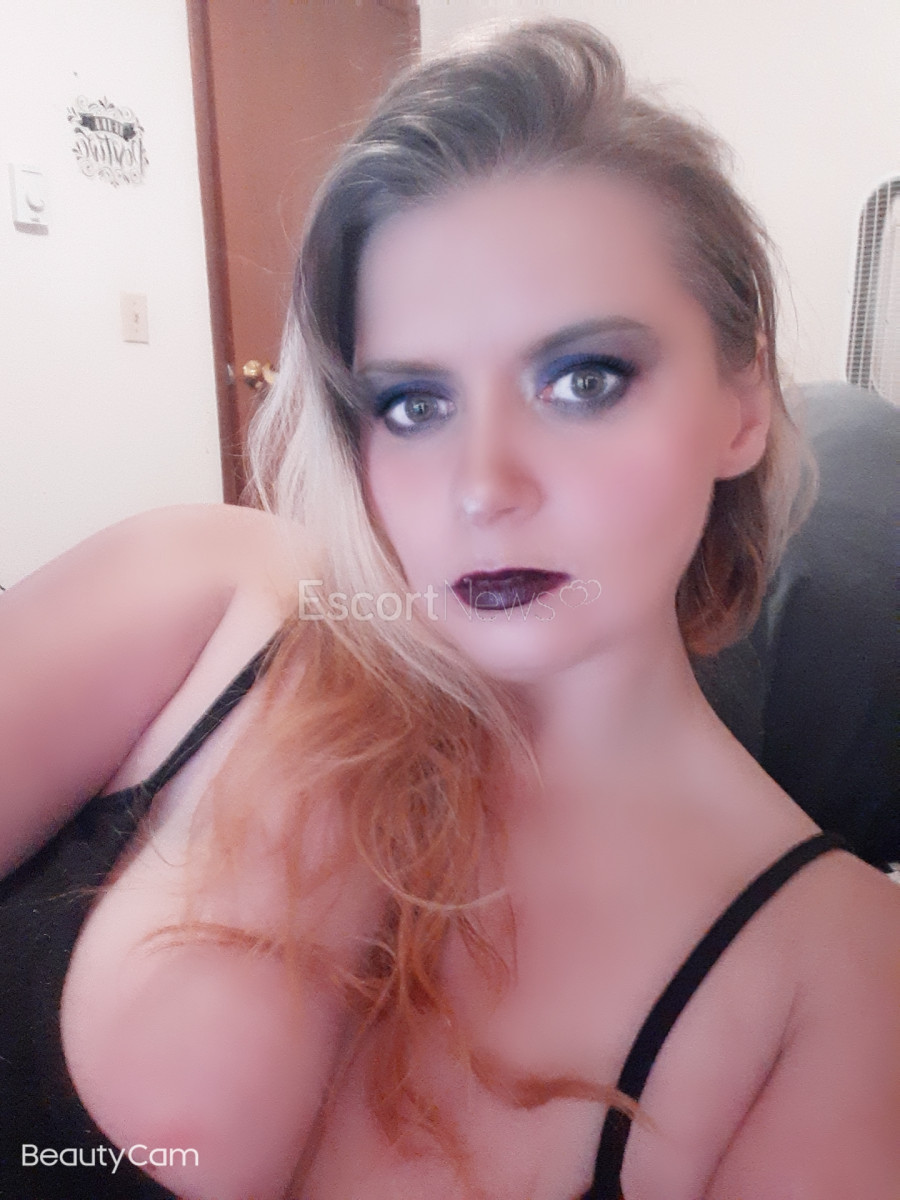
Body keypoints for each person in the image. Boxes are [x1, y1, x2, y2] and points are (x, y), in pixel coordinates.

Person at [2, 19, 899, 1200]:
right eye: (415, 404)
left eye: (583, 380)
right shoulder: (203, 593)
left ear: (742, 404)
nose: (483, 488)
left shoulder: (836, 976)